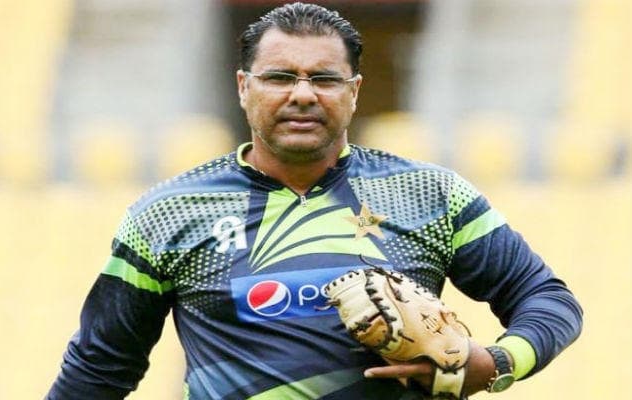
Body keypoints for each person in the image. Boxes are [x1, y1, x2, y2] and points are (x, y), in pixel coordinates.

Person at [46, 2, 582, 399]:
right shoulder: (168, 213)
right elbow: (100, 368)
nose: (302, 94)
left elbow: (547, 299)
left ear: (353, 91)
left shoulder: (430, 194)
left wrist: (497, 362)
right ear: (243, 86)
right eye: (280, 77)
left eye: (324, 79)